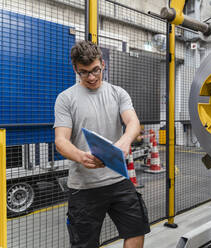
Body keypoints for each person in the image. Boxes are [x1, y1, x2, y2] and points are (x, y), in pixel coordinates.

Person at [54, 40, 150, 248]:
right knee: (84, 244)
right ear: (75, 69)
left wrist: (124, 142)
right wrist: (82, 157)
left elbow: (133, 122)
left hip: (118, 180)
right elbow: (61, 140)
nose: (91, 77)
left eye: (95, 70)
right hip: (83, 187)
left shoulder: (118, 93)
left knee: (137, 229)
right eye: (84, 72)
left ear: (103, 64)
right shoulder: (65, 99)